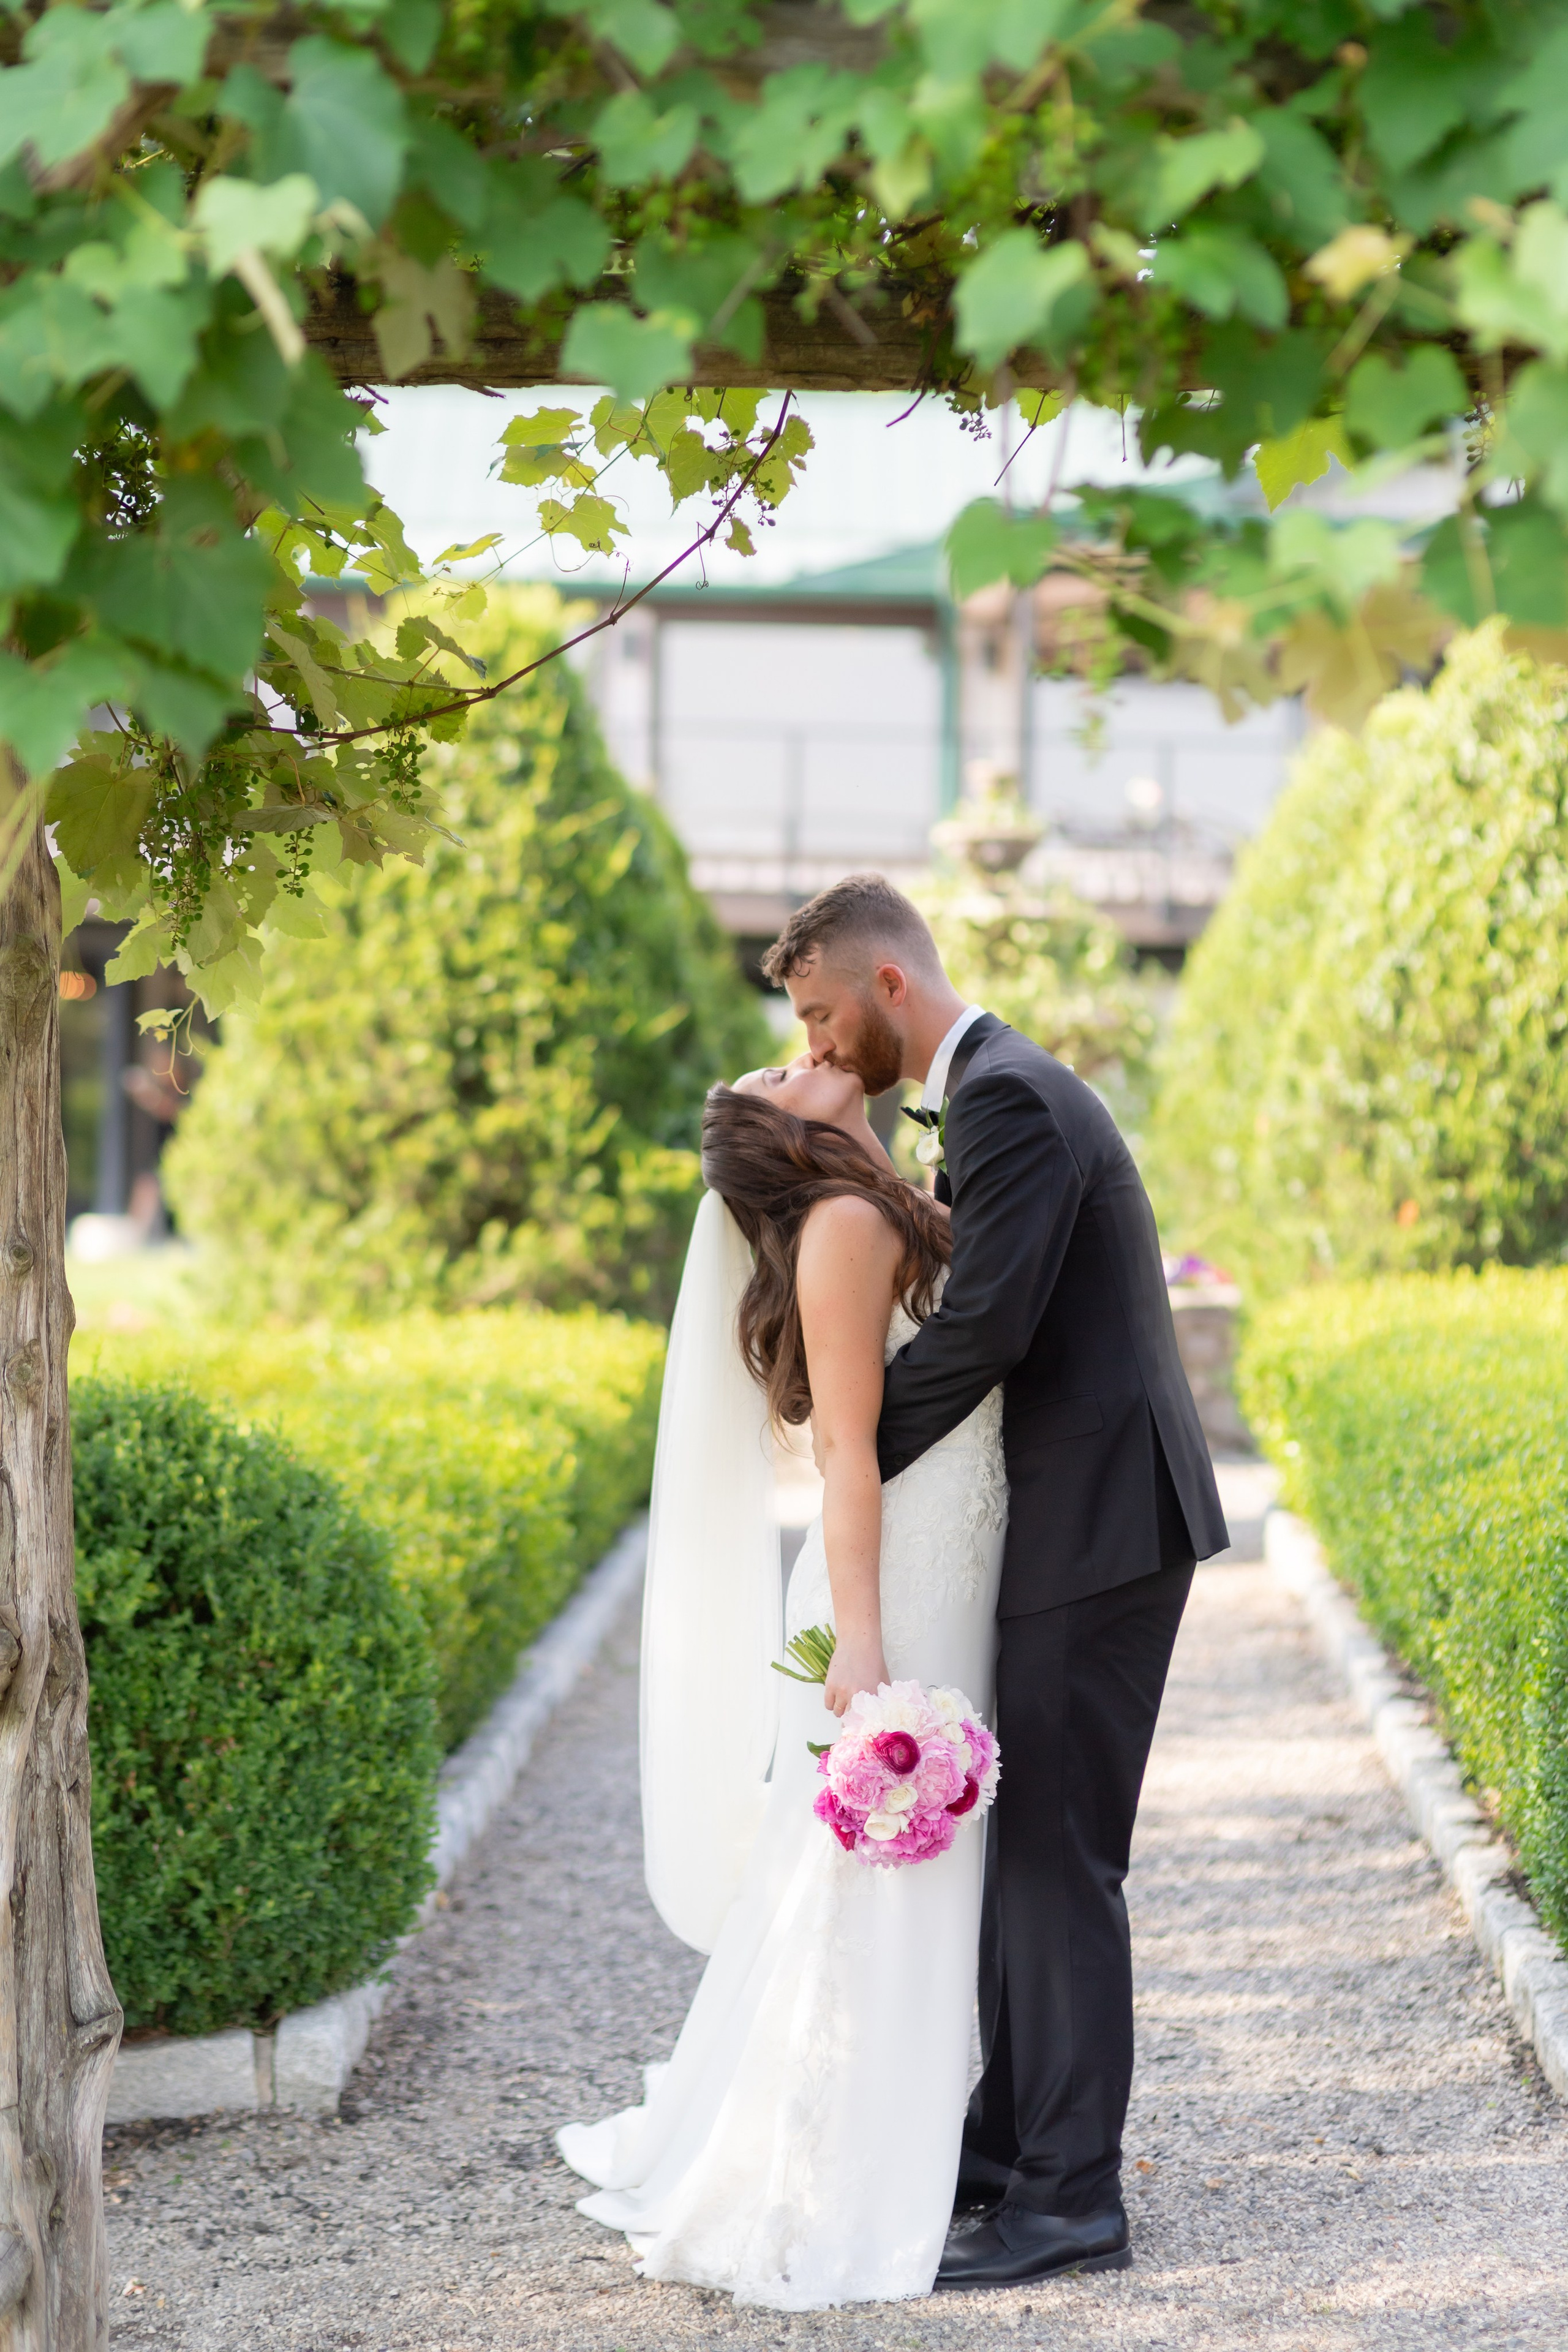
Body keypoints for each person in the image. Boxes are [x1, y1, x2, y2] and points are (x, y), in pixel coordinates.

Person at [760, 873, 1227, 2289]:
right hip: (1077, 1521)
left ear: (888, 984)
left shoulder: (1009, 1099)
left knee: (1058, 1867)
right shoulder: (988, 1097)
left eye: (822, 1014)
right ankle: (1006, 2149)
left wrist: (852, 1453)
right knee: (1026, 1854)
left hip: (1098, 1522)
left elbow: (983, 1330)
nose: (822, 1045)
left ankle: (1071, 2200)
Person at [557, 1050, 1010, 2307]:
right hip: (898, 1575)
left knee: (873, 1868)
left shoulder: (879, 1201)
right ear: (773, 1137)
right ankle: (828, 2156)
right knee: (868, 1869)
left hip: (947, 1548)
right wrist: (861, 1645)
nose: (804, 1051)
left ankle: (894, 2119)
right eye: (777, 1068)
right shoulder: (846, 1224)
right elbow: (845, 1454)